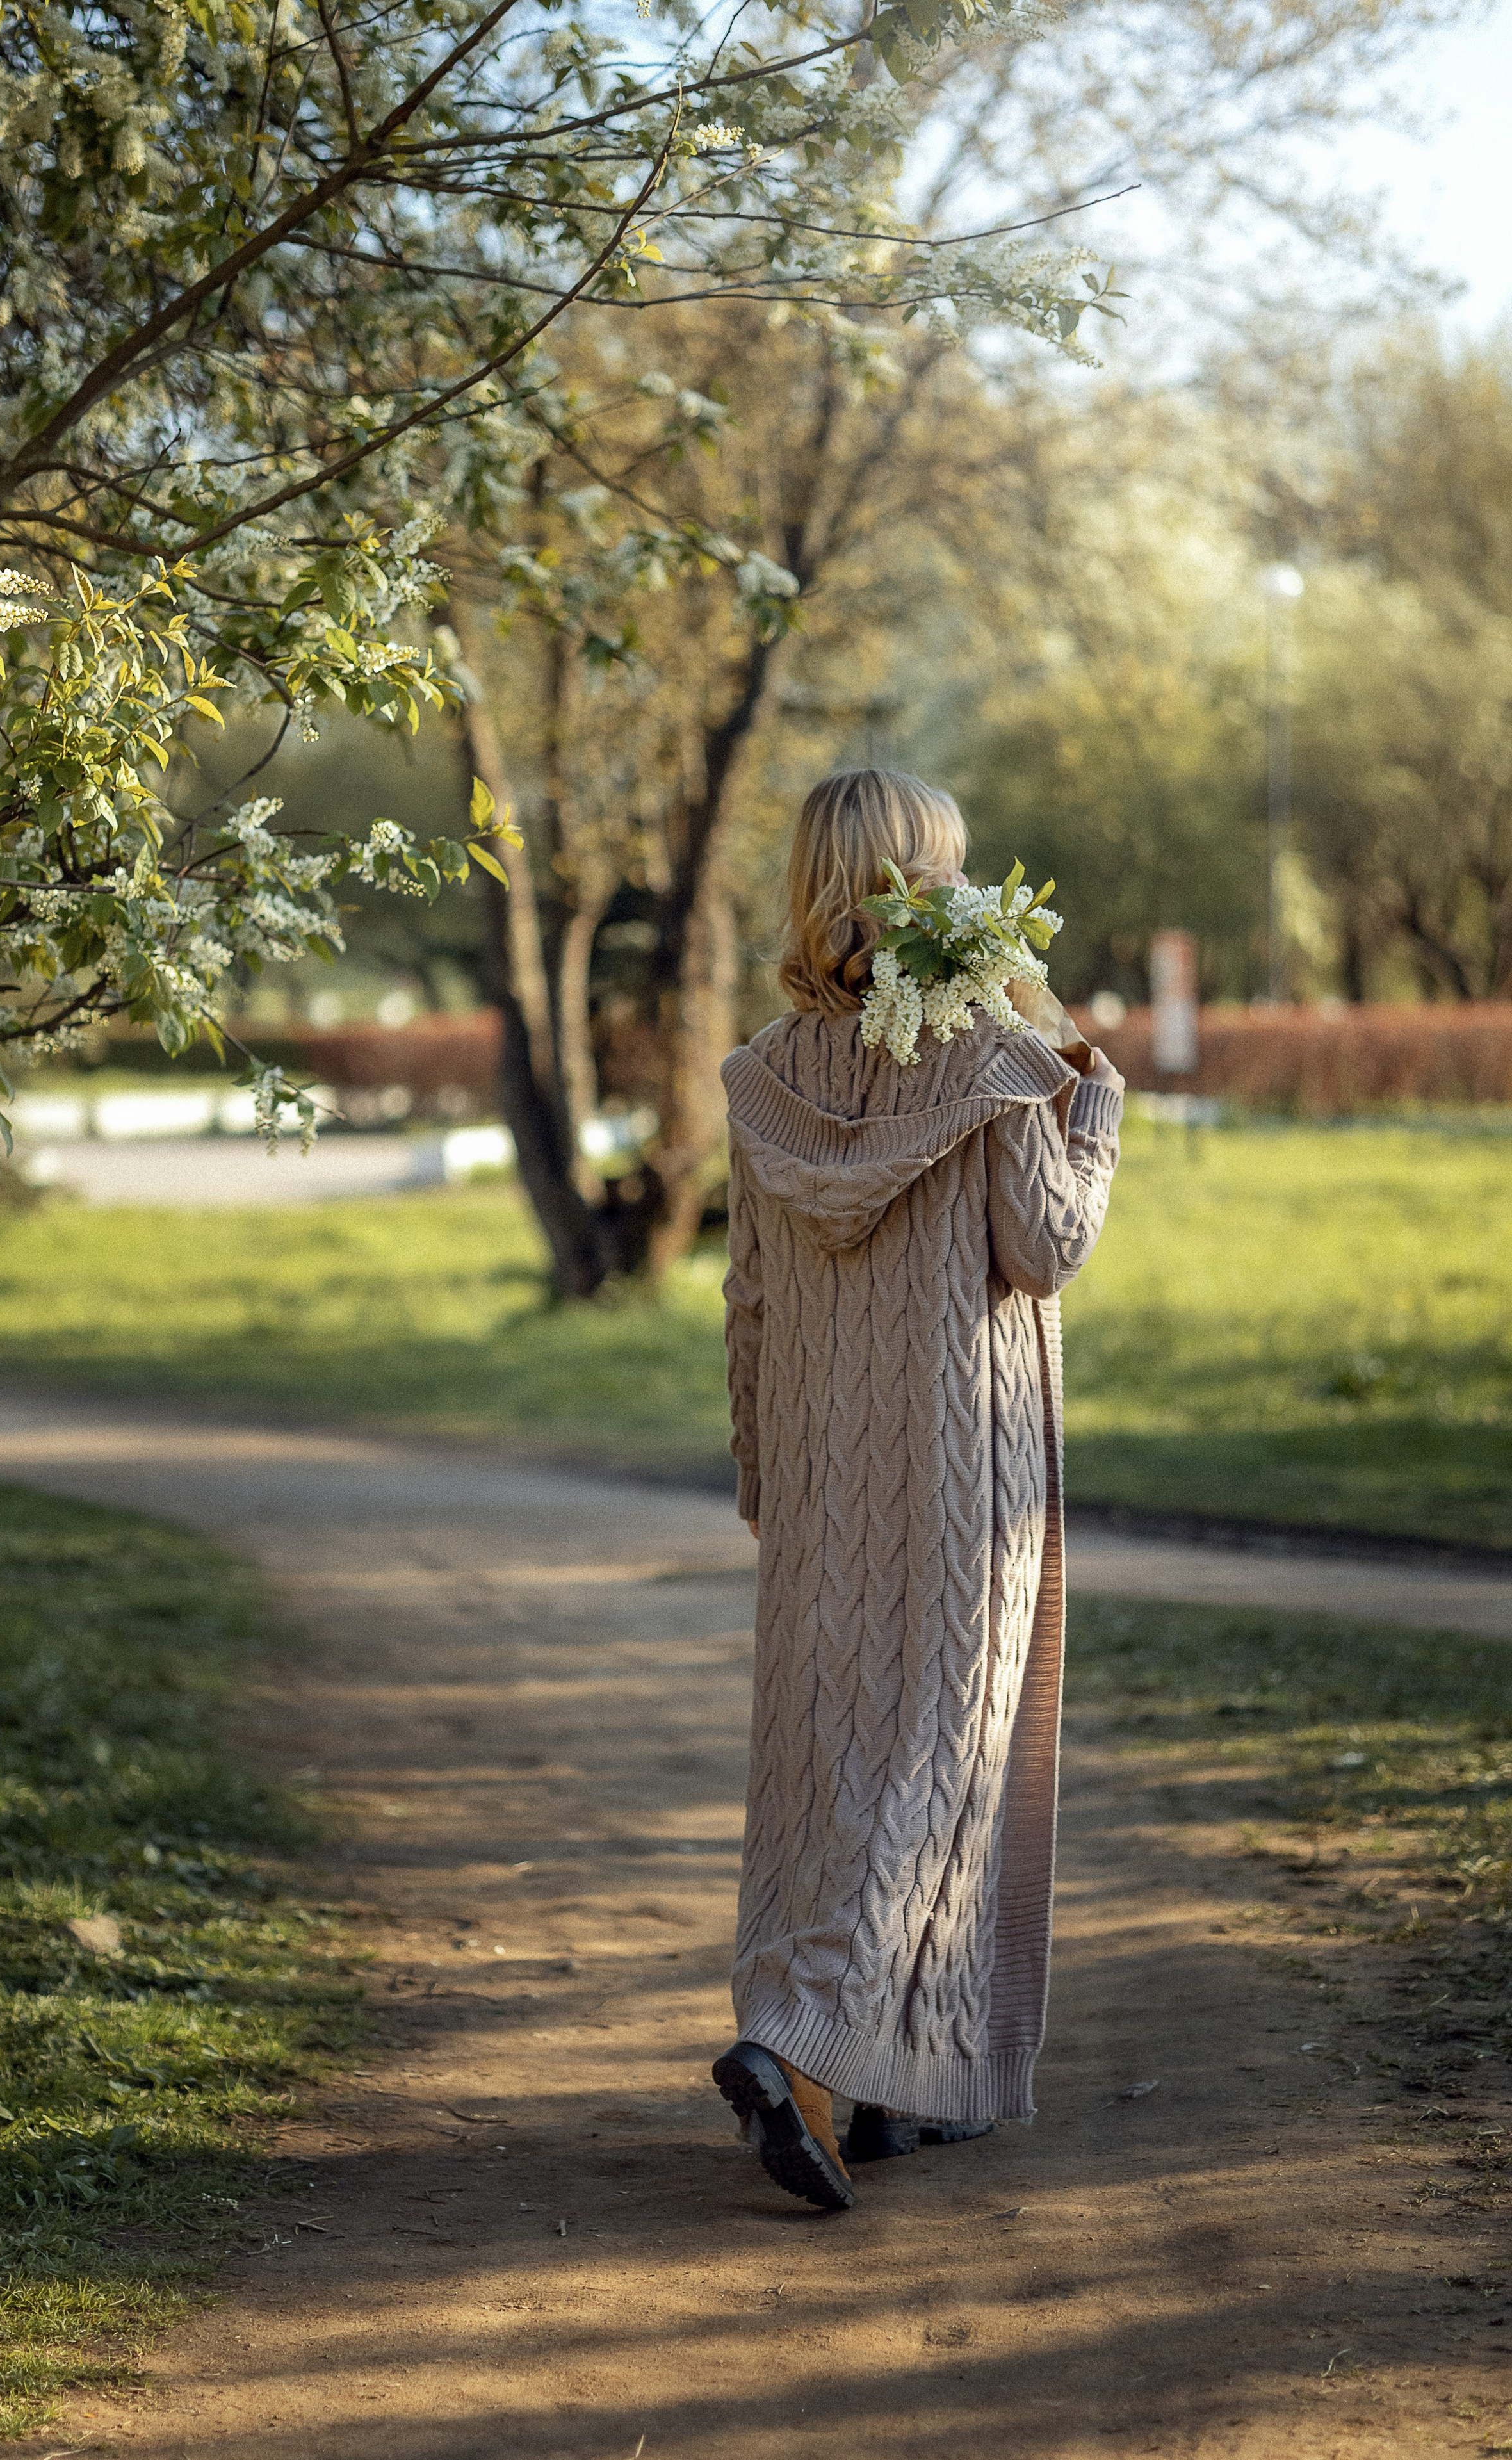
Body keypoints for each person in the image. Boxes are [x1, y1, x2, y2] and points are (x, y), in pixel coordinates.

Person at [711, 769, 1125, 2212]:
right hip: (965, 1479)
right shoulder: (994, 1047)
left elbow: (748, 1297)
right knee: (935, 1769)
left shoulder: (762, 1073)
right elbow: (1042, 1241)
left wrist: (765, 1471)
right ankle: (796, 2043)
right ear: (923, 888)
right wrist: (1090, 1091)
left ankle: (885, 2091)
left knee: (831, 1769)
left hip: (823, 1473)